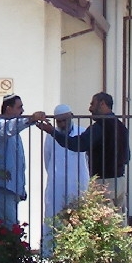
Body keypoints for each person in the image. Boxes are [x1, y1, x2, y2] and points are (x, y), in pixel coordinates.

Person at [34, 91, 130, 212]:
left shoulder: (100, 127)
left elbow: (77, 144)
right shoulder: (121, 126)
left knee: (104, 219)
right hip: (120, 180)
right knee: (118, 220)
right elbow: (127, 156)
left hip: (104, 183)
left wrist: (52, 131)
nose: (90, 108)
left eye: (92, 104)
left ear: (102, 104)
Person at [41, 103, 90, 255]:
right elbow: (47, 158)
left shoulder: (82, 133)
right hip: (57, 183)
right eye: (59, 121)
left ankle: (78, 254)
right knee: (53, 217)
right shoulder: (51, 136)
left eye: (65, 120)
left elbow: (87, 159)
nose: (62, 124)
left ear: (71, 117)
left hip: (78, 182)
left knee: (78, 217)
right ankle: (50, 253)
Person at [0, 94, 31, 227]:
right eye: (19, 107)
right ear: (9, 109)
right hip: (2, 186)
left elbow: (19, 163)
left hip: (12, 188)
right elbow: (9, 128)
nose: (22, 111)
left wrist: (21, 187)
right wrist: (31, 119)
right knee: (9, 226)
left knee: (8, 226)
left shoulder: (14, 133)